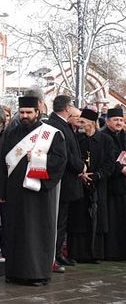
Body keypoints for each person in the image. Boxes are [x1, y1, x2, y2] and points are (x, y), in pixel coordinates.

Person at [0, 96, 67, 286]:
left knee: (36, 233)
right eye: (22, 112)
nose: (25, 116)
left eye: (29, 112)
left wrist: (37, 157)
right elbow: (2, 162)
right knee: (14, 232)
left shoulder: (51, 134)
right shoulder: (12, 132)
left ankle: (37, 274)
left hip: (38, 193)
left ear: (37, 112)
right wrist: (0, 189)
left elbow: (60, 161)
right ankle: (15, 272)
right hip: (15, 193)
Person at [44, 95, 85, 271]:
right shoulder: (56, 125)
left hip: (66, 182)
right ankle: (53, 255)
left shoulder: (61, 124)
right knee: (57, 221)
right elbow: (65, 154)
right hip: (61, 181)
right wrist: (80, 166)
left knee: (62, 221)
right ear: (68, 108)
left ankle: (58, 253)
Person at [68, 108, 114, 263]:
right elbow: (73, 158)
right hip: (80, 183)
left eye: (83, 122)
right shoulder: (77, 138)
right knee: (79, 217)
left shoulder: (106, 140)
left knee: (97, 218)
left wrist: (97, 175)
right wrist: (81, 174)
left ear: (92, 123)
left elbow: (110, 163)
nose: (80, 124)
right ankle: (78, 253)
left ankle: (94, 253)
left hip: (98, 184)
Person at [101, 108, 126, 260]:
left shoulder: (124, 136)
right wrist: (121, 169)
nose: (119, 123)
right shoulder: (103, 136)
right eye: (115, 120)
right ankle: (112, 253)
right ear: (107, 121)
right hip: (111, 186)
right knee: (113, 220)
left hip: (123, 186)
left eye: (121, 120)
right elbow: (106, 161)